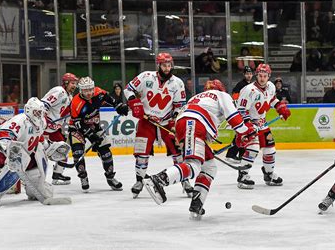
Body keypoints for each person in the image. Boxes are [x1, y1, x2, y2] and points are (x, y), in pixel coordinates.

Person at [143, 79, 257, 220]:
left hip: (188, 125)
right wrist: (247, 131)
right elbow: (234, 118)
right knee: (194, 165)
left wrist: (241, 135)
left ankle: (196, 204)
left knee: (209, 167)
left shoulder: (198, 98)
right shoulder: (221, 95)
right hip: (194, 123)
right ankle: (159, 180)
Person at [0, 97, 70, 205]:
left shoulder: (41, 122)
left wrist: (50, 147)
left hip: (19, 148)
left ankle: (35, 191)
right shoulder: (21, 120)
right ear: (29, 110)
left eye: (41, 112)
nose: (39, 115)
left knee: (34, 165)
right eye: (36, 112)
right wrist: (8, 150)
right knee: (9, 169)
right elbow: (4, 135)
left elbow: (39, 138)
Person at [124, 52, 193, 199]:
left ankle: (185, 182)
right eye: (164, 65)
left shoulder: (178, 83)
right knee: (141, 154)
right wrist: (134, 102)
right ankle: (139, 181)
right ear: (158, 65)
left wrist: (175, 120)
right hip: (146, 121)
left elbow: (179, 106)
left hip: (167, 123)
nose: (167, 68)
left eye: (169, 65)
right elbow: (128, 89)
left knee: (178, 154)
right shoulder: (145, 77)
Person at [234, 63, 291, 189]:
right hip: (249, 123)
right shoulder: (249, 90)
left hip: (262, 123)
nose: (262, 78)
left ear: (269, 76)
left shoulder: (271, 86)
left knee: (270, 149)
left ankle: (268, 174)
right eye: (260, 75)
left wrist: (280, 107)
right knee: (253, 148)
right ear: (256, 75)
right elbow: (241, 110)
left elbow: (272, 99)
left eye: (265, 76)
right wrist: (248, 126)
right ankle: (243, 175)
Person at [69, 76, 129, 192]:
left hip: (95, 126)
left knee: (106, 152)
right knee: (78, 153)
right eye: (86, 90)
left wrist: (119, 106)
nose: (89, 93)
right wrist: (90, 134)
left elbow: (109, 98)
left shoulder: (98, 92)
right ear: (80, 90)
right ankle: (83, 177)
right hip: (77, 129)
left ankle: (110, 177)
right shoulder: (75, 103)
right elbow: (78, 124)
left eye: (90, 89)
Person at [41, 73, 78, 185]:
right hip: (43, 127)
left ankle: (57, 174)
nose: (74, 86)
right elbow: (43, 104)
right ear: (66, 83)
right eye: (72, 83)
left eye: (75, 83)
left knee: (63, 148)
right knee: (38, 152)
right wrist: (44, 119)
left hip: (54, 129)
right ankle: (34, 177)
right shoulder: (59, 91)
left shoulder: (69, 97)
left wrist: (63, 129)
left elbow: (64, 115)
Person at [225, 66, 254, 163]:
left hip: (248, 112)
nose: (249, 75)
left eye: (250, 74)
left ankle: (242, 154)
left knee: (246, 133)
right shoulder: (240, 85)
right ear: (244, 74)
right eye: (247, 74)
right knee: (241, 133)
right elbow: (235, 97)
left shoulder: (253, 85)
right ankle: (231, 154)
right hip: (241, 112)